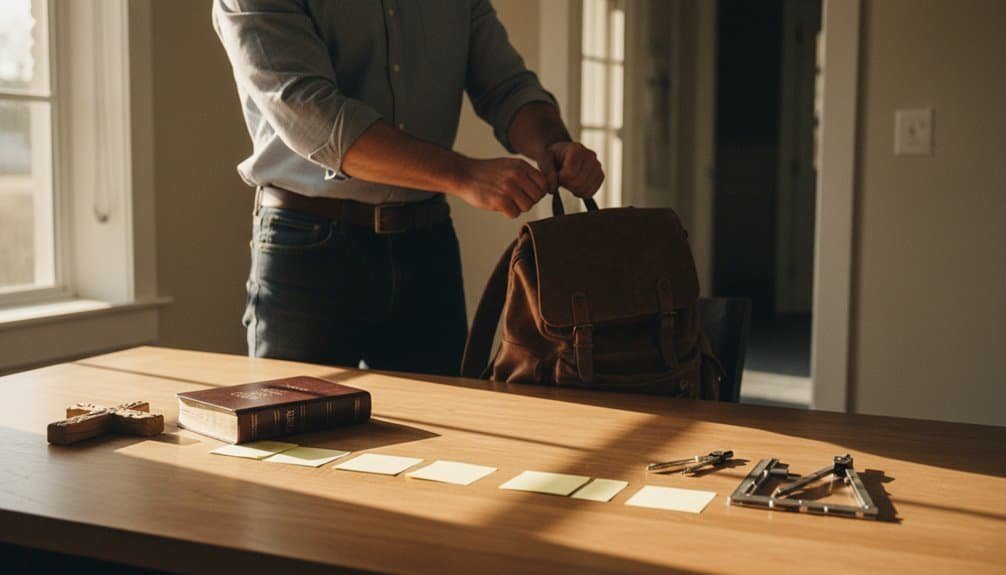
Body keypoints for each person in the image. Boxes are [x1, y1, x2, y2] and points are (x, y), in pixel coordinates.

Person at [213, 0, 604, 376]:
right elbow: (315, 117)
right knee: (296, 436)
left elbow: (506, 86)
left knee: (443, 433)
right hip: (307, 248)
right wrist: (464, 175)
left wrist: (553, 143)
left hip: (426, 244)